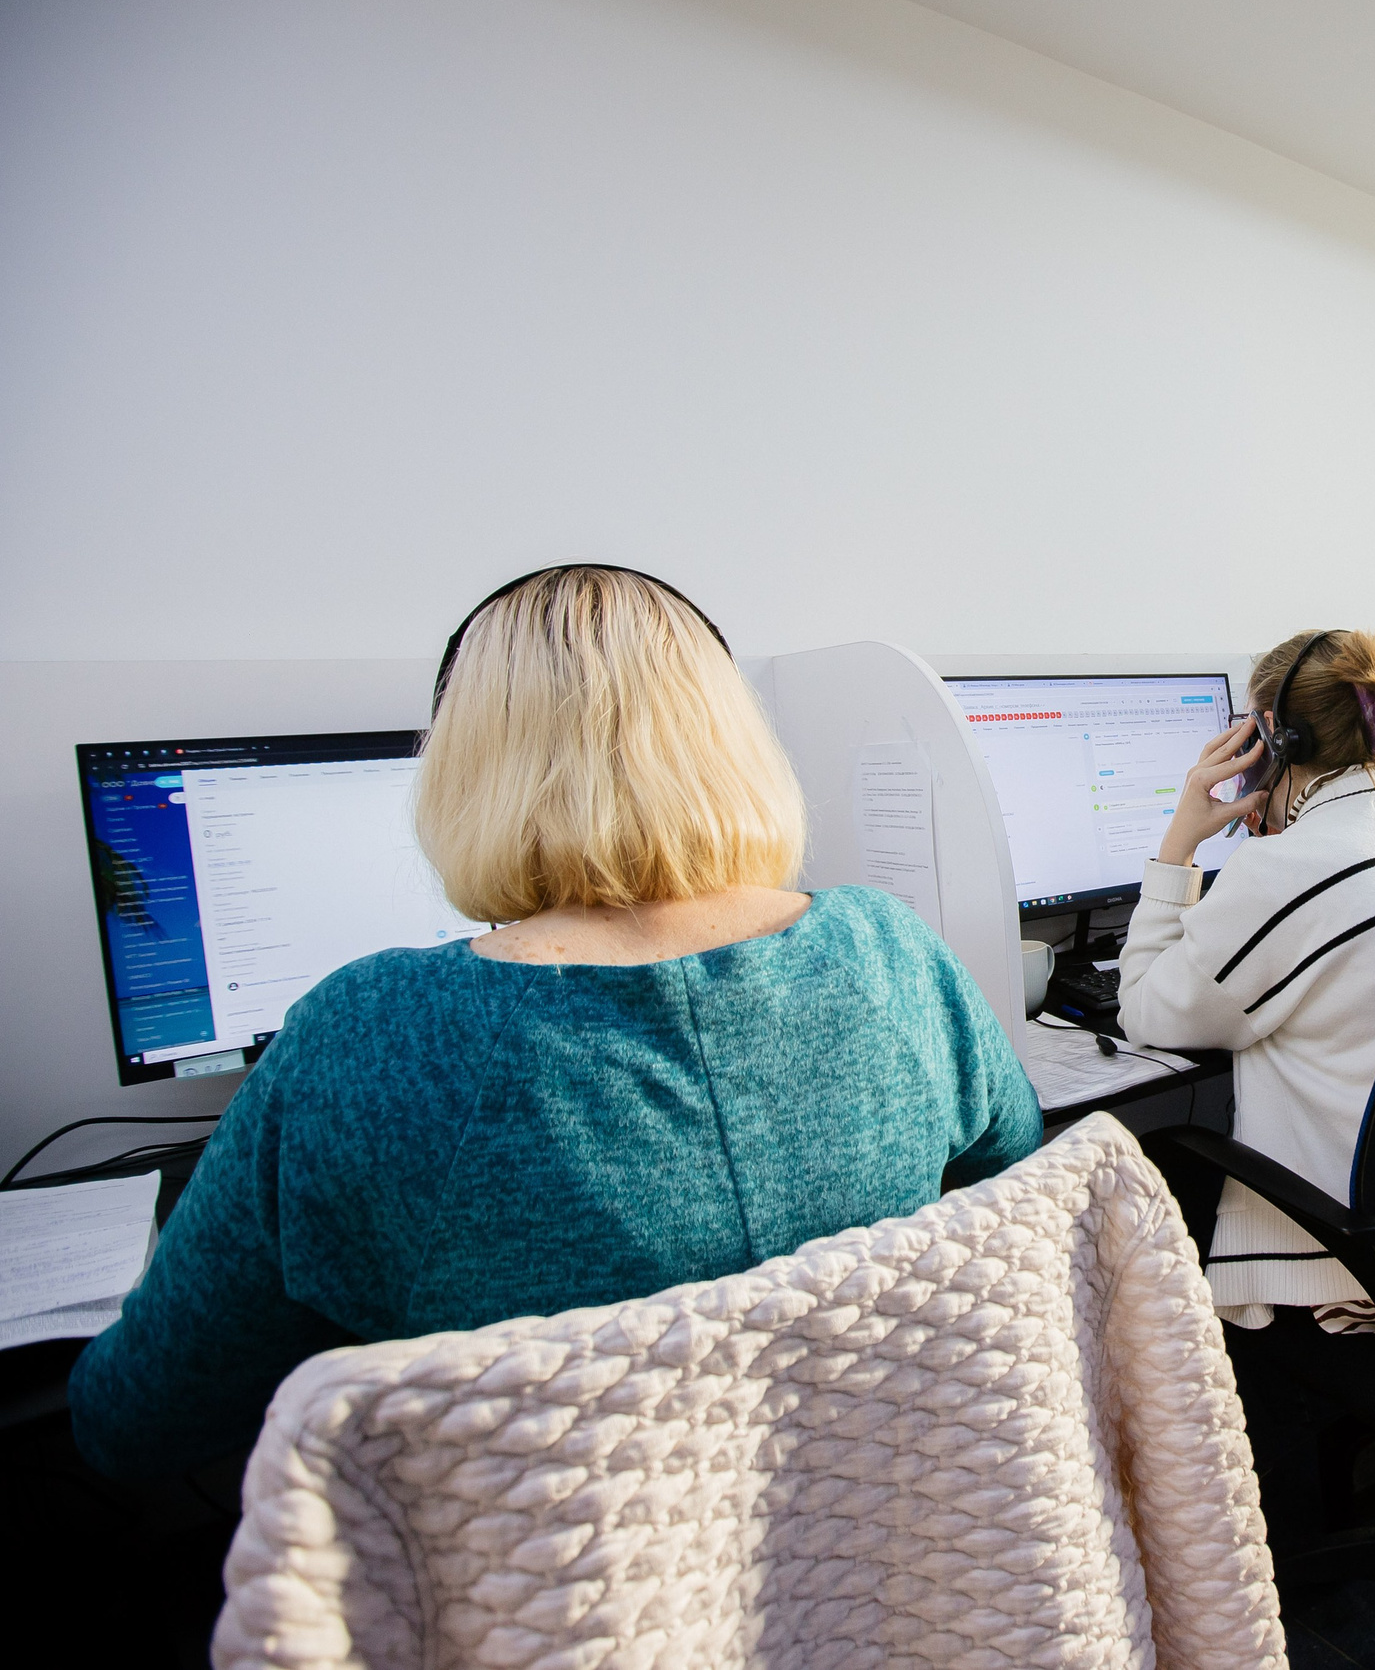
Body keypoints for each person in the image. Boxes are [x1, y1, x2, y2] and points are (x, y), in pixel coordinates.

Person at [70, 566, 1040, 1480]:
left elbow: (135, 1424)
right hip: (887, 1559)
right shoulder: (889, 953)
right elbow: (1014, 1198)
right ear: (734, 744)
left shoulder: (360, 1034)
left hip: (553, 1611)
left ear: (464, 770)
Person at [1116, 629, 1375, 1331]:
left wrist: (1180, 843)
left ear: (1276, 739)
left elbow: (1146, 1010)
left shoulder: (1284, 871)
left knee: (1169, 1150)